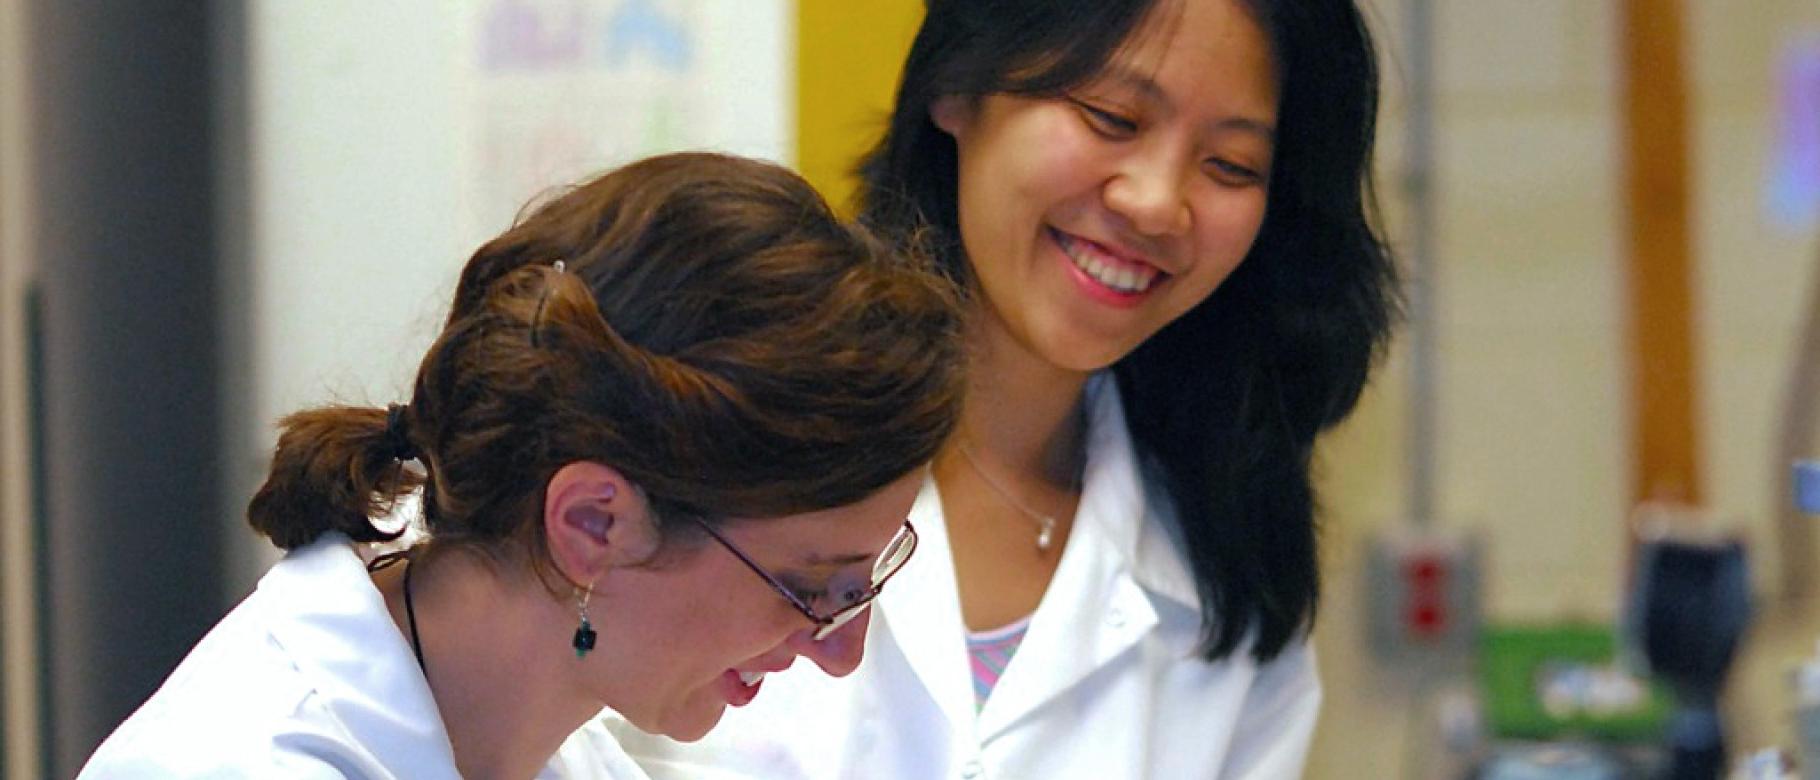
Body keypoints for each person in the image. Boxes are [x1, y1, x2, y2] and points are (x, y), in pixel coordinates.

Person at [607, 0, 1397, 777]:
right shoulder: (700, 409)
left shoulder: (1230, 567)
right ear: (958, 86)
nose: (1156, 203)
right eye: (1111, 117)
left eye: (1230, 165)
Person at [76, 152, 967, 780]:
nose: (841, 651)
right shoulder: (240, 763)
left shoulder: (548, 745)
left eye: (864, 582)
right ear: (592, 523)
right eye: (814, 587)